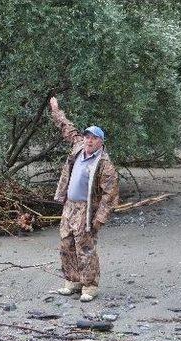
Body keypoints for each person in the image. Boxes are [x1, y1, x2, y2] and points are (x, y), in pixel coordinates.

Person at [48, 96, 119, 302]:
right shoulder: (78, 147)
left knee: (85, 248)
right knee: (66, 243)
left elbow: (110, 196)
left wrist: (99, 220)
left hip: (87, 210)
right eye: (87, 136)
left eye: (93, 138)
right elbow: (66, 127)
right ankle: (72, 280)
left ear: (100, 142)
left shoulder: (106, 165)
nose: (88, 140)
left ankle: (90, 286)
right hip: (69, 206)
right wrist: (56, 109)